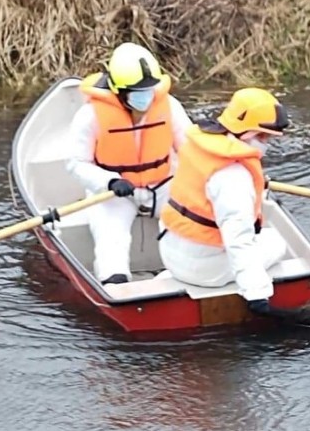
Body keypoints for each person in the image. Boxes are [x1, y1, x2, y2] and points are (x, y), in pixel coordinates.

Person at [65, 42, 191, 285]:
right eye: (137, 92)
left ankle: (183, 274)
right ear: (119, 91)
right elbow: (75, 163)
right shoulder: (90, 115)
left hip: (163, 185)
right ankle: (116, 282)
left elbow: (189, 148)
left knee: (183, 222)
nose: (146, 97)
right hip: (115, 192)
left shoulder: (169, 106)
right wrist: (109, 181)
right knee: (111, 237)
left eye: (149, 90)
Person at [158, 87, 290, 314]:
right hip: (204, 270)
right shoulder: (233, 177)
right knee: (277, 242)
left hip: (168, 249)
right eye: (263, 136)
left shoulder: (199, 145)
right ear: (246, 132)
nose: (266, 143)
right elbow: (238, 240)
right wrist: (257, 293)